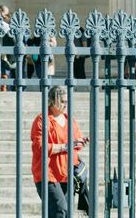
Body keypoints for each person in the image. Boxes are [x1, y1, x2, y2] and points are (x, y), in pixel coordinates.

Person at [30, 86, 89, 218]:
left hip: (67, 173)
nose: (65, 104)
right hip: (47, 174)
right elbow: (41, 147)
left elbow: (75, 143)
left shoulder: (69, 119)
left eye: (67, 101)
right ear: (52, 101)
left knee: (67, 212)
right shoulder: (42, 120)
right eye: (62, 101)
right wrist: (65, 146)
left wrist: (79, 141)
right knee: (59, 209)